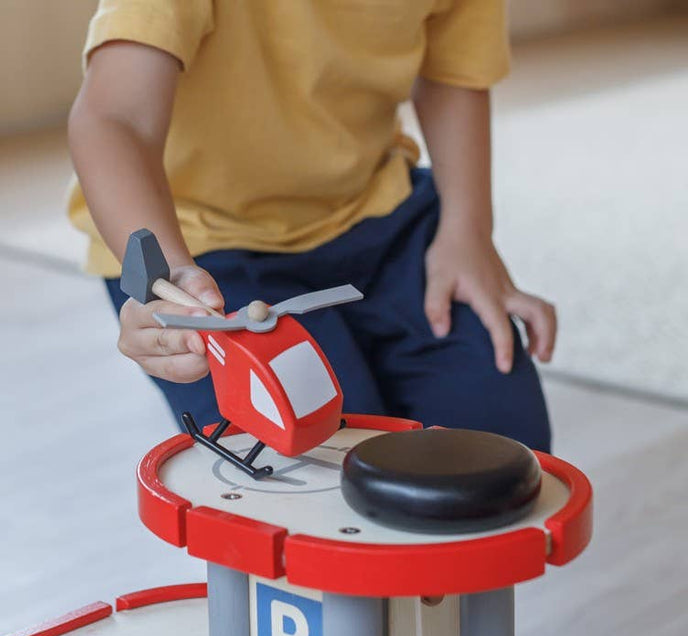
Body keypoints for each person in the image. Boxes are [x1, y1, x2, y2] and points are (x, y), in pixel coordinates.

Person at [67, 0, 556, 451]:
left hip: (379, 215)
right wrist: (168, 278)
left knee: (505, 456)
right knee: (308, 467)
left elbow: (455, 71)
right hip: (204, 250)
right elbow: (115, 118)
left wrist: (468, 231)